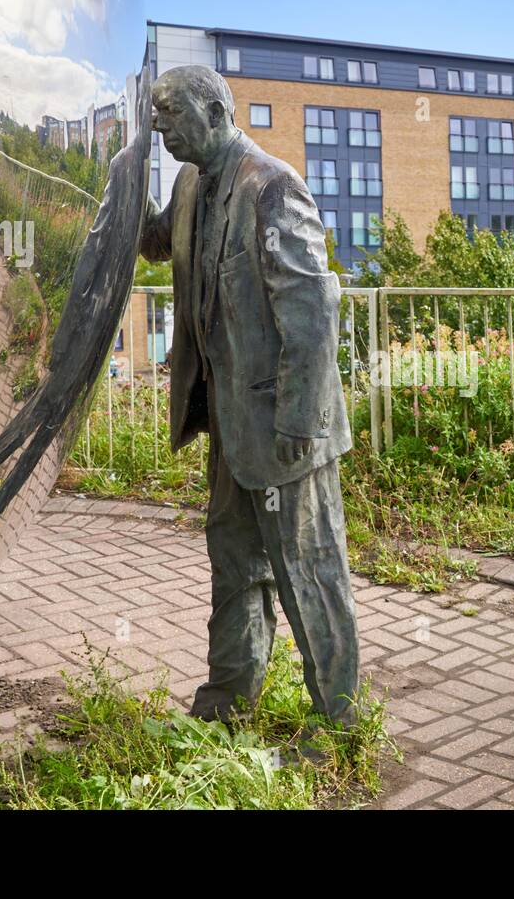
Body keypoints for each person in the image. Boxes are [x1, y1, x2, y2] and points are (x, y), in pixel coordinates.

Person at [140, 64, 358, 725]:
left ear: (214, 110)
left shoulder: (271, 186)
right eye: (156, 114)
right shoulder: (189, 184)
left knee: (307, 572)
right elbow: (155, 240)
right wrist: (111, 191)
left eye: (171, 112)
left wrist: (302, 418)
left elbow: (315, 313)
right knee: (234, 564)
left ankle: (339, 722)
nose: (160, 125)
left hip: (286, 427)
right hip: (234, 428)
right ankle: (227, 704)